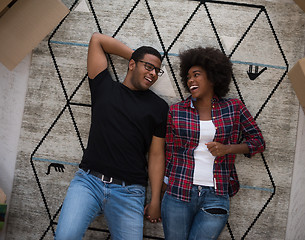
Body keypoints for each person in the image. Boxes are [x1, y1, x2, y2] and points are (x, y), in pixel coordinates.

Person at [55, 33, 169, 240]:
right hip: (88, 183)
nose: (153, 73)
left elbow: (156, 155)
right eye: (148, 66)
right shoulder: (103, 87)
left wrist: (155, 201)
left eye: (157, 71)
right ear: (132, 64)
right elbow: (97, 40)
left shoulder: (159, 107)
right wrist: (133, 54)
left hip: (129, 192)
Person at [161, 47, 265, 239]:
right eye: (188, 77)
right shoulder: (176, 111)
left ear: (212, 76)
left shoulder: (234, 108)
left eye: (197, 75)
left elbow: (258, 141)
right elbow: (170, 153)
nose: (191, 80)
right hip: (178, 192)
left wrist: (228, 149)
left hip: (215, 196)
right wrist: (162, 191)